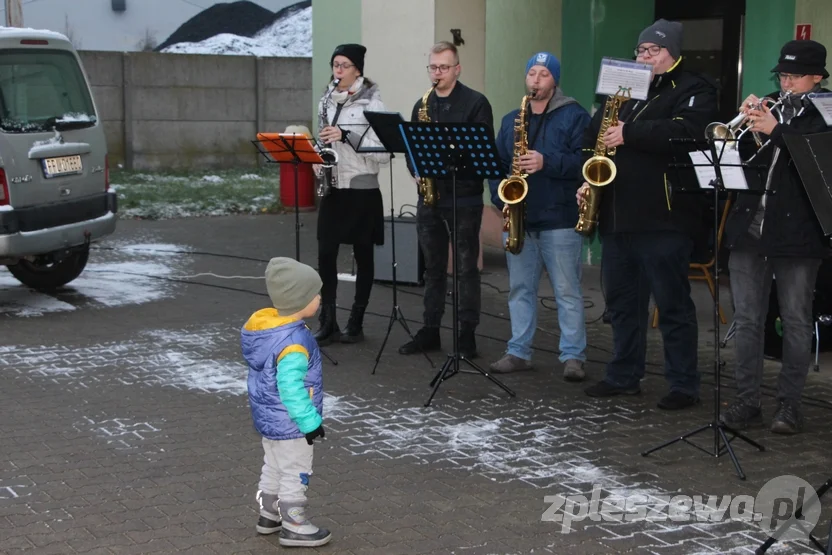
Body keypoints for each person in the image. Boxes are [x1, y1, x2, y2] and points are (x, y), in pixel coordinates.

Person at [576, 19, 718, 409]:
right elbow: (592, 138)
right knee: (622, 305)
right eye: (641, 50)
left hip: (664, 218)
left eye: (653, 51)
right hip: (618, 215)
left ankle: (684, 385)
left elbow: (690, 132)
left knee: (672, 304)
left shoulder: (694, 88)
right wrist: (587, 179)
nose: (645, 57)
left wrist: (630, 133)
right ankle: (624, 375)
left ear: (673, 53)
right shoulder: (622, 89)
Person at [720, 39, 832, 434]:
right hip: (752, 229)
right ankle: (748, 400)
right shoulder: (772, 104)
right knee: (747, 320)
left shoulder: (826, 110)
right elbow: (747, 162)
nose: (785, 83)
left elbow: (817, 156)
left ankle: (790, 405)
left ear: (816, 77)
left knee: (797, 321)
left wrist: (777, 129)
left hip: (799, 235)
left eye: (794, 76)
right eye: (782, 75)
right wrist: (745, 129)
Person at [487, 52, 591, 381]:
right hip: (519, 216)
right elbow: (495, 167)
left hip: (559, 218)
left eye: (544, 74)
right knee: (519, 289)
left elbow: (585, 165)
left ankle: (573, 356)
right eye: (532, 73)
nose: (536, 80)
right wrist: (500, 196)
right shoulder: (511, 120)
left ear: (555, 80)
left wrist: (547, 162)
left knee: (567, 291)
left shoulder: (574, 116)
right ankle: (519, 351)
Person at [398, 41, 494, 359]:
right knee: (433, 268)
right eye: (433, 67)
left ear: (457, 68)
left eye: (443, 67)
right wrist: (415, 171)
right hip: (430, 198)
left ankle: (466, 334)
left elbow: (481, 151)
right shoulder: (422, 104)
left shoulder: (476, 103)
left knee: (466, 269)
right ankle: (430, 330)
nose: (437, 73)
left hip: (464, 198)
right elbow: (413, 148)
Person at [241, 257, 331, 547]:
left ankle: (269, 514)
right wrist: (310, 423)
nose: (319, 298)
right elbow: (290, 388)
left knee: (274, 464)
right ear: (299, 302)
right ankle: (294, 523)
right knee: (296, 469)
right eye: (315, 294)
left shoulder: (270, 330)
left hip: (270, 420)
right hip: (292, 422)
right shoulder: (293, 342)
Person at [313, 43, 391, 345]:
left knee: (363, 255)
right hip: (335, 187)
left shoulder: (373, 103)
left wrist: (347, 135)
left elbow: (383, 154)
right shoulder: (327, 102)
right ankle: (328, 321)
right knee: (325, 253)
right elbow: (325, 143)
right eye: (335, 64)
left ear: (358, 69)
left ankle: (355, 322)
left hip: (362, 188)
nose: (338, 70)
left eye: (344, 65)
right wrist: (317, 159)